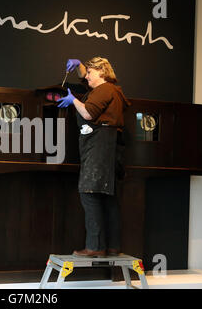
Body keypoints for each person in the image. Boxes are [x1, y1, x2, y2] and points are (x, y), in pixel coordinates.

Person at [57, 57, 131, 257]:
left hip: (100, 146)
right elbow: (85, 80)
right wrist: (80, 65)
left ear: (102, 72)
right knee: (108, 196)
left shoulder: (104, 90)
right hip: (110, 146)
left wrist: (74, 101)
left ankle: (95, 246)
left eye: (90, 72)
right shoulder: (112, 90)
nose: (86, 76)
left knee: (89, 192)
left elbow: (89, 113)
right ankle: (113, 246)